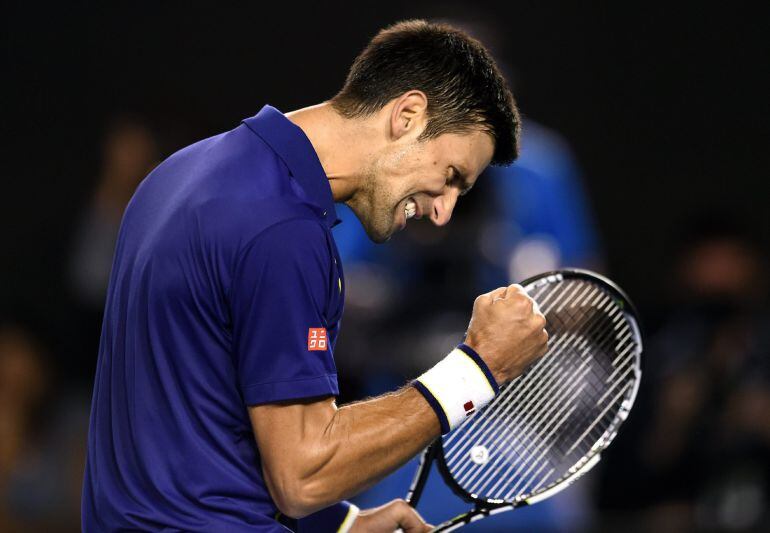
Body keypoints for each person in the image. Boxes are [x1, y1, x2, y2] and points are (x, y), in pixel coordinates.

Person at [82, 20, 548, 532]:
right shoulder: (283, 230)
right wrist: (478, 370)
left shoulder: (178, 173)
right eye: (452, 177)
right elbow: (302, 478)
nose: (443, 211)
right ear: (408, 116)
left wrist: (340, 524)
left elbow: (194, 418)